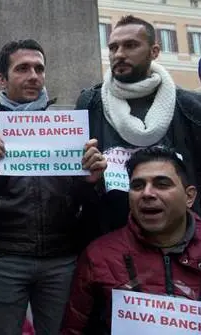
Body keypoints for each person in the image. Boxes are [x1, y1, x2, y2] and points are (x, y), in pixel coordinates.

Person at [0, 39, 107, 335]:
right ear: (1, 79)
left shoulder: (67, 129)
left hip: (61, 260)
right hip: (4, 259)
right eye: (23, 68)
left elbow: (82, 200)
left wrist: (91, 182)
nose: (34, 76)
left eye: (39, 68)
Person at [76, 15, 201, 235]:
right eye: (113, 47)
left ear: (154, 51)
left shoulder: (189, 107)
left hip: (179, 241)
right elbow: (75, 185)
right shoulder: (89, 103)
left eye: (131, 45)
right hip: (109, 234)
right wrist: (87, 180)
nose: (120, 54)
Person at [62, 146, 201, 334]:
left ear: (189, 197)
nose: (147, 193)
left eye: (162, 184)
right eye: (137, 186)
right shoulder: (99, 256)